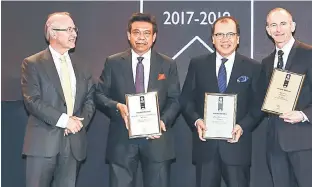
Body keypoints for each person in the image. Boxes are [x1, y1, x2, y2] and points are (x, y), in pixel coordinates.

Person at [95, 13, 180, 187]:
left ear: (154, 37)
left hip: (158, 141)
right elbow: (99, 95)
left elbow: (175, 99)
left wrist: (163, 121)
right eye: (136, 32)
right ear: (129, 35)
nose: (141, 37)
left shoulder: (167, 64)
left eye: (146, 33)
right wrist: (117, 106)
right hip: (122, 141)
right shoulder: (113, 62)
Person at [180, 16, 264, 187]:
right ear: (212, 39)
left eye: (230, 34)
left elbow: (258, 105)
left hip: (237, 147)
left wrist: (243, 126)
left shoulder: (253, 67)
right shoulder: (198, 64)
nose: (225, 39)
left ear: (238, 38)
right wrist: (197, 121)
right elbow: (186, 100)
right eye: (219, 35)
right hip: (206, 148)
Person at [21, 12, 95, 187]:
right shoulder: (33, 64)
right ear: (53, 33)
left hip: (73, 145)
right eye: (69, 29)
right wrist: (65, 121)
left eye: (75, 29)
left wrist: (78, 123)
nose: (74, 34)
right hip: (42, 144)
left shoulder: (83, 66)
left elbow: (90, 100)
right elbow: (32, 101)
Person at [262, 7, 312, 187]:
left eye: (283, 24)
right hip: (275, 144)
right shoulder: (266, 62)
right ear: (268, 30)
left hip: (305, 141)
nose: (278, 29)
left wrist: (302, 115)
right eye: (273, 25)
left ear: (292, 26)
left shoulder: (310, 53)